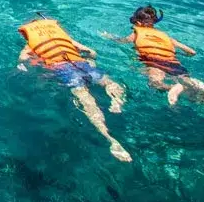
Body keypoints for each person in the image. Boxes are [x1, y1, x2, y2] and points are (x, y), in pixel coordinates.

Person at [18, 14, 131, 162]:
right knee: (110, 83)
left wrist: (28, 65)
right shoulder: (67, 39)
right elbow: (92, 53)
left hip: (63, 70)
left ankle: (110, 139)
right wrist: (88, 57)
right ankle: (116, 103)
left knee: (86, 101)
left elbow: (22, 59)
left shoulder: (29, 44)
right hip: (81, 63)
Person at [102, 5, 204, 106]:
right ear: (154, 22)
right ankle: (199, 89)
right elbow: (192, 52)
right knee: (188, 82)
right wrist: (179, 54)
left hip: (154, 62)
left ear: (137, 23)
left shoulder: (135, 34)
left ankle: (173, 88)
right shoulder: (165, 36)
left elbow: (121, 41)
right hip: (173, 63)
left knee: (155, 84)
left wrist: (109, 36)